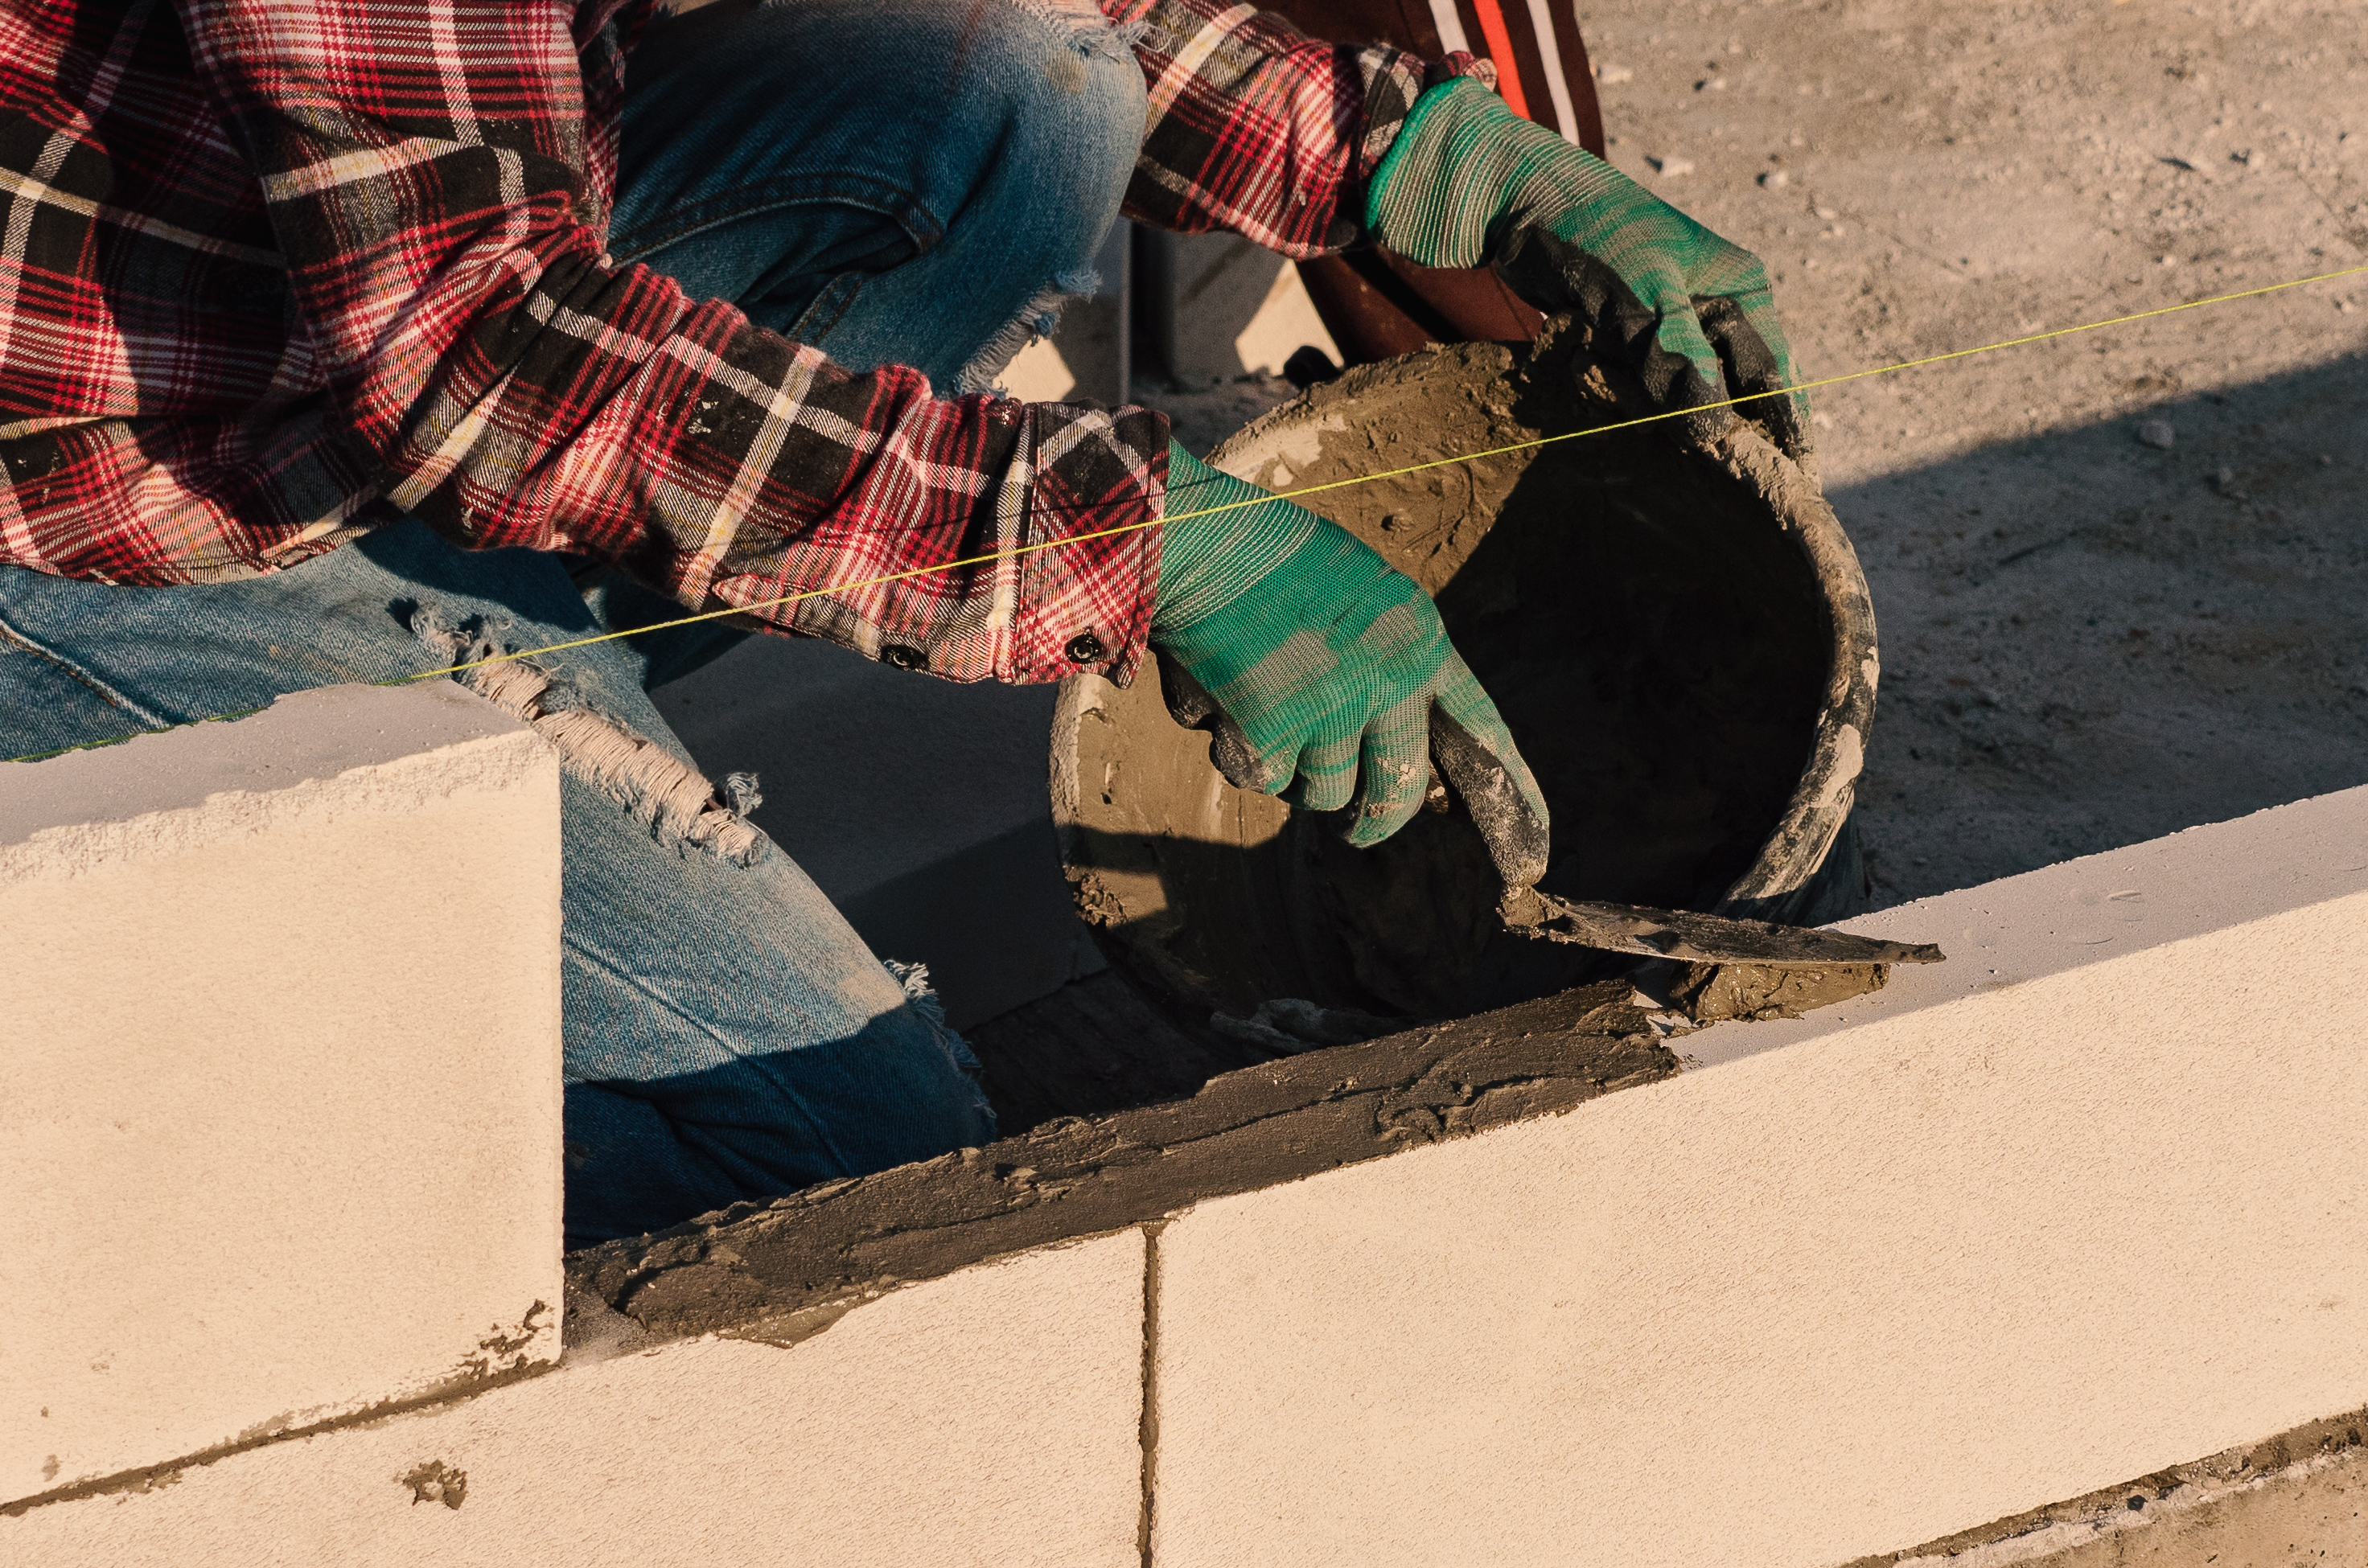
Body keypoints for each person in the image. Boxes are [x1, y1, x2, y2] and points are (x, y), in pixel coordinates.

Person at [0, 0, 1805, 1245]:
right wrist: (1138, 545)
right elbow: (484, 363)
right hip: (96, 515)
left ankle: (534, 659)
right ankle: (232, 971)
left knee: (1021, 94)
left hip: (322, 300)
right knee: (854, 1174)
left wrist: (1418, 160)